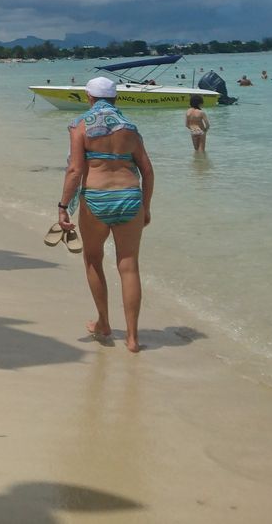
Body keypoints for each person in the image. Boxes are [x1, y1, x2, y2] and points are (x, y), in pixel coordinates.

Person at [57, 77, 154, 352]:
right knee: (129, 265)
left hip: (97, 199)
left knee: (92, 259)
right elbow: (147, 169)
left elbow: (75, 170)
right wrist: (145, 206)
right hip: (130, 198)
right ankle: (133, 338)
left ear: (89, 98)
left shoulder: (80, 126)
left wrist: (63, 207)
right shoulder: (130, 129)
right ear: (115, 99)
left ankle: (104, 323)